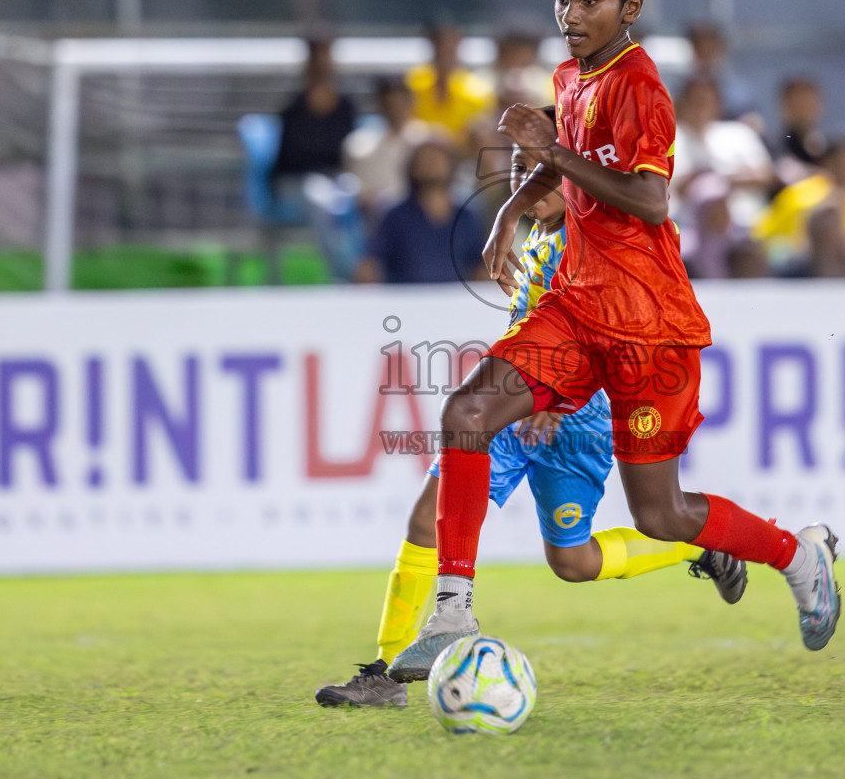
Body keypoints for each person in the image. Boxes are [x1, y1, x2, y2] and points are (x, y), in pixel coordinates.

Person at [385, 0, 841, 683]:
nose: (571, 13)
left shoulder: (640, 85)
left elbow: (650, 199)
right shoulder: (571, 79)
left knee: (660, 515)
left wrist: (548, 152)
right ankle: (451, 612)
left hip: (646, 322)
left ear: (629, 7)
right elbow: (567, 156)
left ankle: (798, 554)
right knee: (465, 414)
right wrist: (511, 209)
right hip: (574, 306)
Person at [316, 145, 746, 708]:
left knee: (573, 560)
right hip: (516, 410)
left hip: (577, 420)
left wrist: (557, 393)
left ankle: (700, 549)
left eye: (537, 171)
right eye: (517, 173)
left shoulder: (602, 244)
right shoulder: (538, 240)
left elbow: (616, 337)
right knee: (428, 515)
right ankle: (384, 675)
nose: (522, 185)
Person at [753, 139, 845, 276]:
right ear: (827, 163)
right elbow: (765, 241)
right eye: (842, 164)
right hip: (802, 274)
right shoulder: (798, 196)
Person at [353, 140, 481, 284]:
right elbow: (372, 262)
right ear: (412, 167)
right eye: (425, 159)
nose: (431, 164)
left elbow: (479, 263)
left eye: (437, 159)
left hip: (456, 298)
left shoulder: (466, 216)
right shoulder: (395, 215)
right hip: (406, 299)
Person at [669, 76, 775, 228]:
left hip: (747, 223)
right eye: (696, 100)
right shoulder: (668, 139)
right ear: (683, 102)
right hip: (689, 228)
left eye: (707, 100)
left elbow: (765, 176)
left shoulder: (739, 132)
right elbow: (677, 188)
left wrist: (719, 179)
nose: (701, 106)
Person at [342, 76, 431, 220]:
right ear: (381, 104)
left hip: (420, 215)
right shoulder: (358, 145)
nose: (396, 108)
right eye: (390, 103)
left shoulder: (428, 142)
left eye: (401, 101)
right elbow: (357, 192)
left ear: (410, 102)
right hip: (376, 216)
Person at [273, 39, 355, 181]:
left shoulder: (346, 107)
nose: (321, 66)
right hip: (299, 181)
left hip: (337, 180)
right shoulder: (294, 108)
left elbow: (348, 155)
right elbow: (288, 158)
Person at [404, 22, 495, 149]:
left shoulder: (479, 91)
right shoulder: (412, 83)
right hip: (418, 153)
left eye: (451, 42)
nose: (445, 48)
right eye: (440, 42)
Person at [684, 22, 758, 120]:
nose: (705, 53)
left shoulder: (738, 88)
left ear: (721, 49)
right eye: (700, 47)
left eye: (709, 48)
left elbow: (749, 114)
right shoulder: (682, 83)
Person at [774, 77, 828, 175]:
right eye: (796, 103)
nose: (803, 110)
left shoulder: (827, 146)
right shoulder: (777, 146)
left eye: (807, 102)